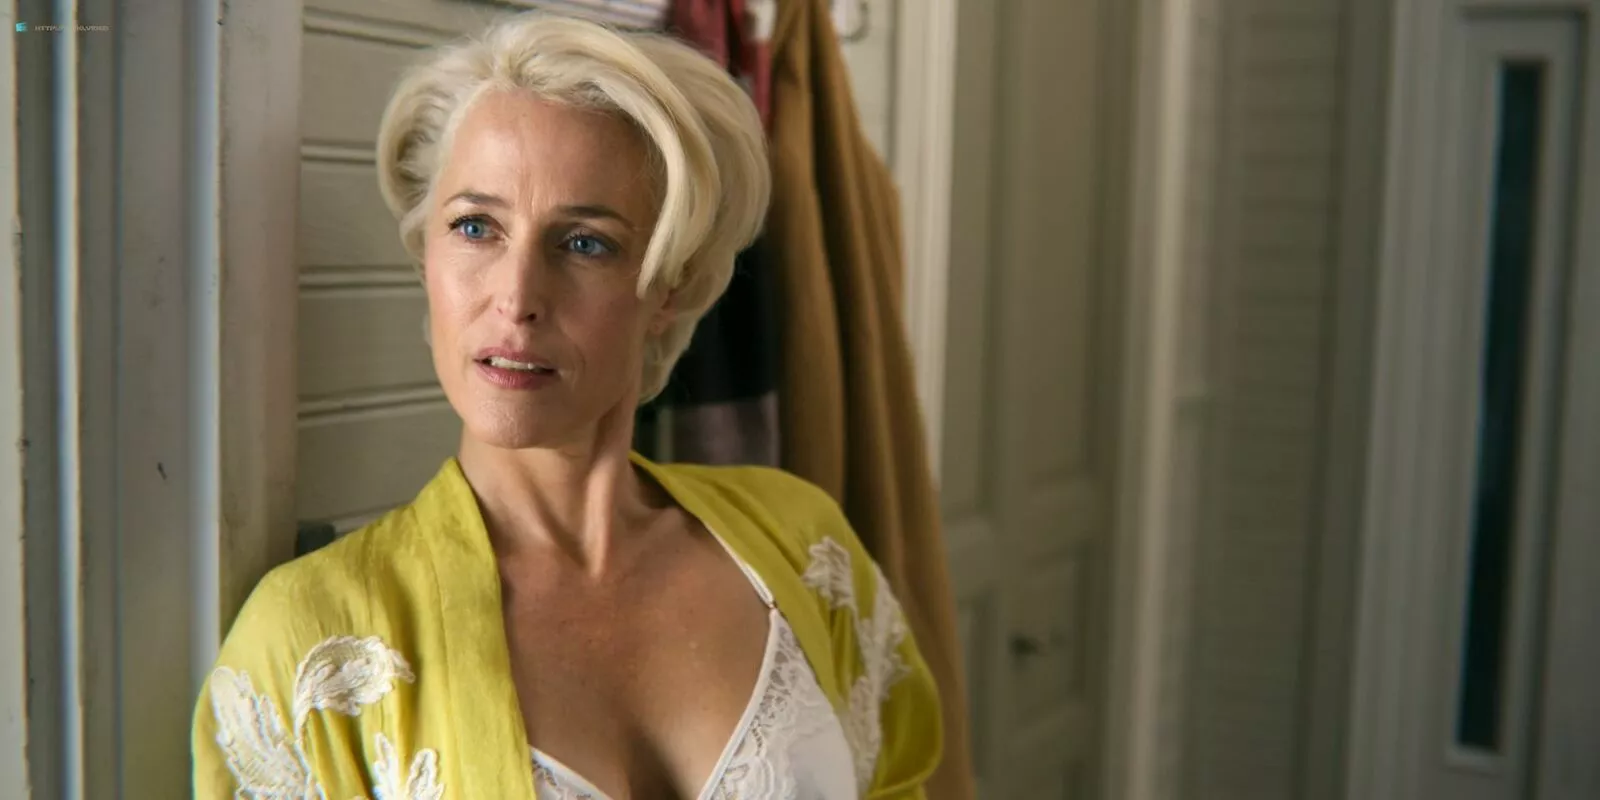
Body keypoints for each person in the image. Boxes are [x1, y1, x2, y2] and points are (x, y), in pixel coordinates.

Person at [191, 12, 942, 799]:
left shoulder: (800, 543)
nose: (516, 297)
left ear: (671, 284)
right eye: (475, 227)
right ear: (425, 258)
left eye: (585, 243)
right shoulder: (312, 640)